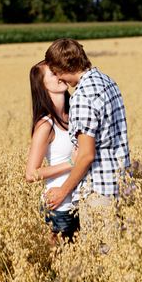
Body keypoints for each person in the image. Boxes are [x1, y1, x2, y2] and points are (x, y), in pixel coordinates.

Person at [44, 38, 130, 241]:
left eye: (56, 72)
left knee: (101, 259)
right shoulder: (107, 81)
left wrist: (62, 191)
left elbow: (86, 155)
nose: (58, 78)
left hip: (99, 193)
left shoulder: (82, 96)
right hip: (122, 185)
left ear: (64, 67)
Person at [25, 60, 79, 243]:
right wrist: (70, 164)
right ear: (42, 85)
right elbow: (31, 174)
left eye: (59, 71)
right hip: (59, 207)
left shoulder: (76, 114)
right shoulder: (46, 124)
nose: (59, 76)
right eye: (52, 74)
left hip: (80, 201)